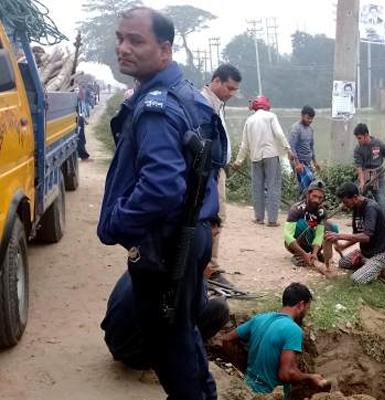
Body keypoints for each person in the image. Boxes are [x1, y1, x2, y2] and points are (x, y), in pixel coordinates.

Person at [97, 7, 226, 399]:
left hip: (167, 243)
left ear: (165, 49)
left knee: (169, 348)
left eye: (136, 41)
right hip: (191, 233)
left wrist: (117, 223)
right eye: (121, 38)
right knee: (182, 334)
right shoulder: (188, 95)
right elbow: (211, 161)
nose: (124, 48)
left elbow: (162, 186)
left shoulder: (157, 106)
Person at [102, 215, 230, 370]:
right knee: (220, 308)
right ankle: (175, 362)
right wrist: (201, 277)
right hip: (136, 354)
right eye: (212, 236)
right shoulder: (184, 266)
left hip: (114, 341)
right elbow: (198, 309)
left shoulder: (157, 250)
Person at [221, 283, 328, 396]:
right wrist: (310, 377)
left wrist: (239, 364)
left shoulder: (260, 318)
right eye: (307, 308)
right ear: (301, 305)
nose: (307, 313)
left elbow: (226, 339)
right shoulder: (293, 330)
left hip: (246, 389)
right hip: (268, 394)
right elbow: (285, 374)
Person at [200, 64, 242, 281]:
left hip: (218, 170)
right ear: (216, 81)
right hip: (208, 172)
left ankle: (210, 265)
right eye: (229, 88)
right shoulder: (202, 103)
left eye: (235, 90)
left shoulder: (217, 103)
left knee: (218, 218)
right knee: (211, 218)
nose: (232, 94)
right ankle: (207, 267)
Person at [231, 96, 294, 226]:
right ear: (266, 106)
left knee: (257, 188)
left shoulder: (249, 120)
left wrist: (238, 162)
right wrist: (288, 149)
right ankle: (272, 220)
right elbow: (279, 134)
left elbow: (244, 145)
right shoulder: (271, 116)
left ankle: (259, 218)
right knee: (273, 187)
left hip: (255, 157)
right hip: (271, 155)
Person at [324, 182, 385, 284]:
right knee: (343, 263)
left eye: (346, 202)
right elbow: (356, 235)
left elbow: (366, 237)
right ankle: (370, 266)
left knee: (356, 279)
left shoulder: (370, 208)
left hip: (381, 254)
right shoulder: (356, 209)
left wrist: (339, 236)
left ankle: (383, 265)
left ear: (355, 197)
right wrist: (343, 246)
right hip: (366, 253)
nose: (345, 205)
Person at [284, 180, 338, 268]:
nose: (317, 200)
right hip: (294, 244)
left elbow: (319, 235)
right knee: (303, 224)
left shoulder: (321, 212)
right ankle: (299, 254)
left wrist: (315, 252)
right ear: (308, 195)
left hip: (311, 244)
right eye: (314, 196)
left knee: (332, 228)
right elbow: (287, 236)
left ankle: (314, 255)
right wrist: (303, 254)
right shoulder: (296, 209)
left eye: (320, 198)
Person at [353, 123, 385, 217]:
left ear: (366, 135)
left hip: (378, 175)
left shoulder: (378, 143)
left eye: (360, 138)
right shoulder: (358, 149)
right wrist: (361, 182)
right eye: (357, 138)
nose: (358, 140)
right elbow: (359, 167)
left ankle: (383, 225)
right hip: (365, 176)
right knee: (358, 199)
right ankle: (360, 220)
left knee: (381, 202)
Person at [288, 106, 319, 195]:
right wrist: (297, 164)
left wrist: (315, 162)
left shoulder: (310, 130)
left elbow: (311, 147)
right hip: (298, 161)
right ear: (302, 116)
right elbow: (291, 147)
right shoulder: (296, 129)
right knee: (309, 182)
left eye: (311, 119)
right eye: (308, 118)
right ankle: (301, 203)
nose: (310, 121)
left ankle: (300, 202)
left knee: (307, 185)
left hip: (307, 161)